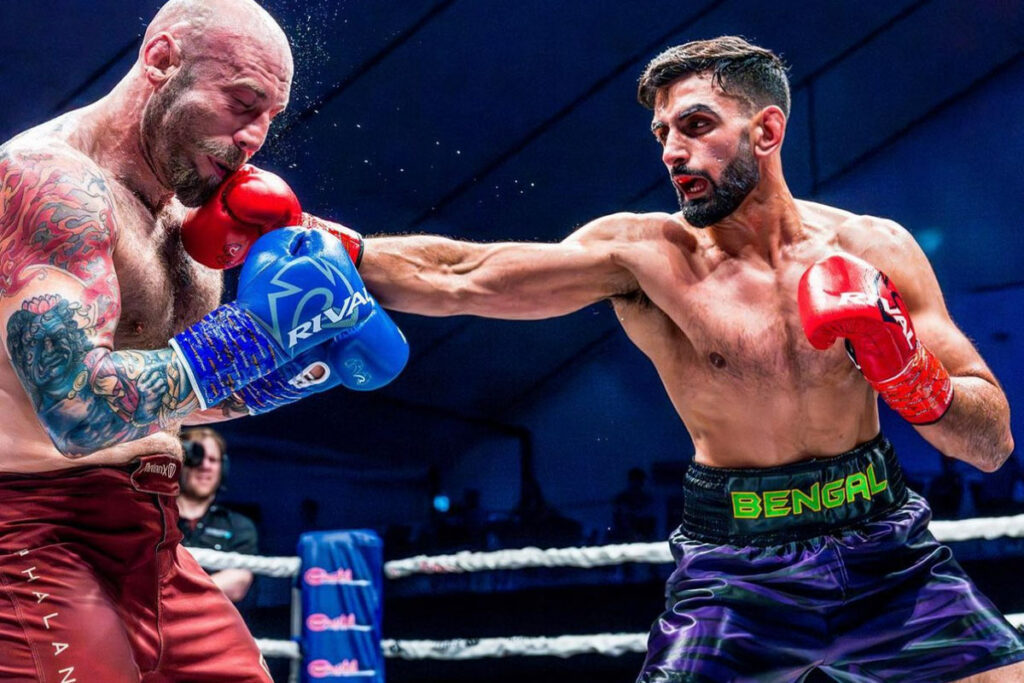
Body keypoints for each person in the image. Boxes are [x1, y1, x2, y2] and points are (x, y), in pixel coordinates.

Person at [347, 36, 1023, 681]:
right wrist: (320, 246)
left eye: (695, 125)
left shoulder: (874, 248)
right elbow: (463, 272)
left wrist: (906, 367)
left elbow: (991, 443)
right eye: (662, 134)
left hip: (887, 555)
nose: (671, 151)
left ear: (766, 130)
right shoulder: (643, 257)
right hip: (737, 574)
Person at [0, 0, 407, 680]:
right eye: (242, 101)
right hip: (39, 531)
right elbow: (76, 410)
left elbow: (173, 394)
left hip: (156, 538)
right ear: (161, 60)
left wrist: (298, 369)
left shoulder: (189, 222)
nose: (254, 136)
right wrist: (254, 332)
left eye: (271, 116)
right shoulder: (49, 183)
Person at [177, 426, 258, 603]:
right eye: (196, 457)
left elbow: (238, 582)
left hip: (216, 628)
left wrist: (176, 596)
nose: (205, 466)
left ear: (223, 468)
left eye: (213, 460)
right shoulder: (154, 520)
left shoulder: (239, 526)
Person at [609, 467, 657, 542]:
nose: (636, 483)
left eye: (639, 481)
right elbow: (616, 517)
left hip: (642, 535)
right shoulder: (621, 498)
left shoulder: (647, 499)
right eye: (634, 480)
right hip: (623, 535)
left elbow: (649, 518)